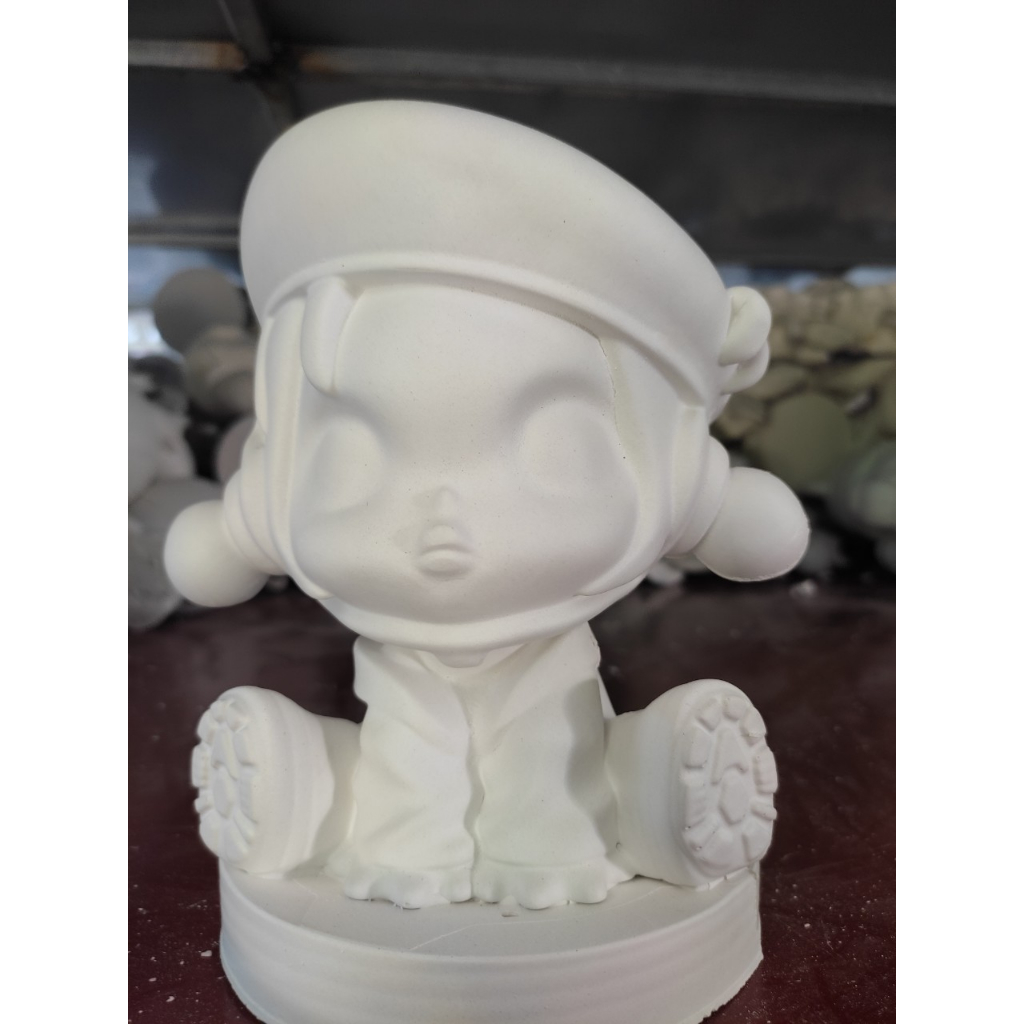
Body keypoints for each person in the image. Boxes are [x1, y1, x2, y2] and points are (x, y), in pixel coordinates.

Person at [168, 101, 807, 909]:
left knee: (553, 746)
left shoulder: (657, 484)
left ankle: (609, 809)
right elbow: (231, 540)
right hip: (404, 666)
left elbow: (740, 523)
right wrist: (241, 532)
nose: (443, 520)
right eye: (358, 456)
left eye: (546, 450)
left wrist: (713, 508)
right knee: (402, 746)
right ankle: (333, 802)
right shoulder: (288, 493)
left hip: (543, 666)